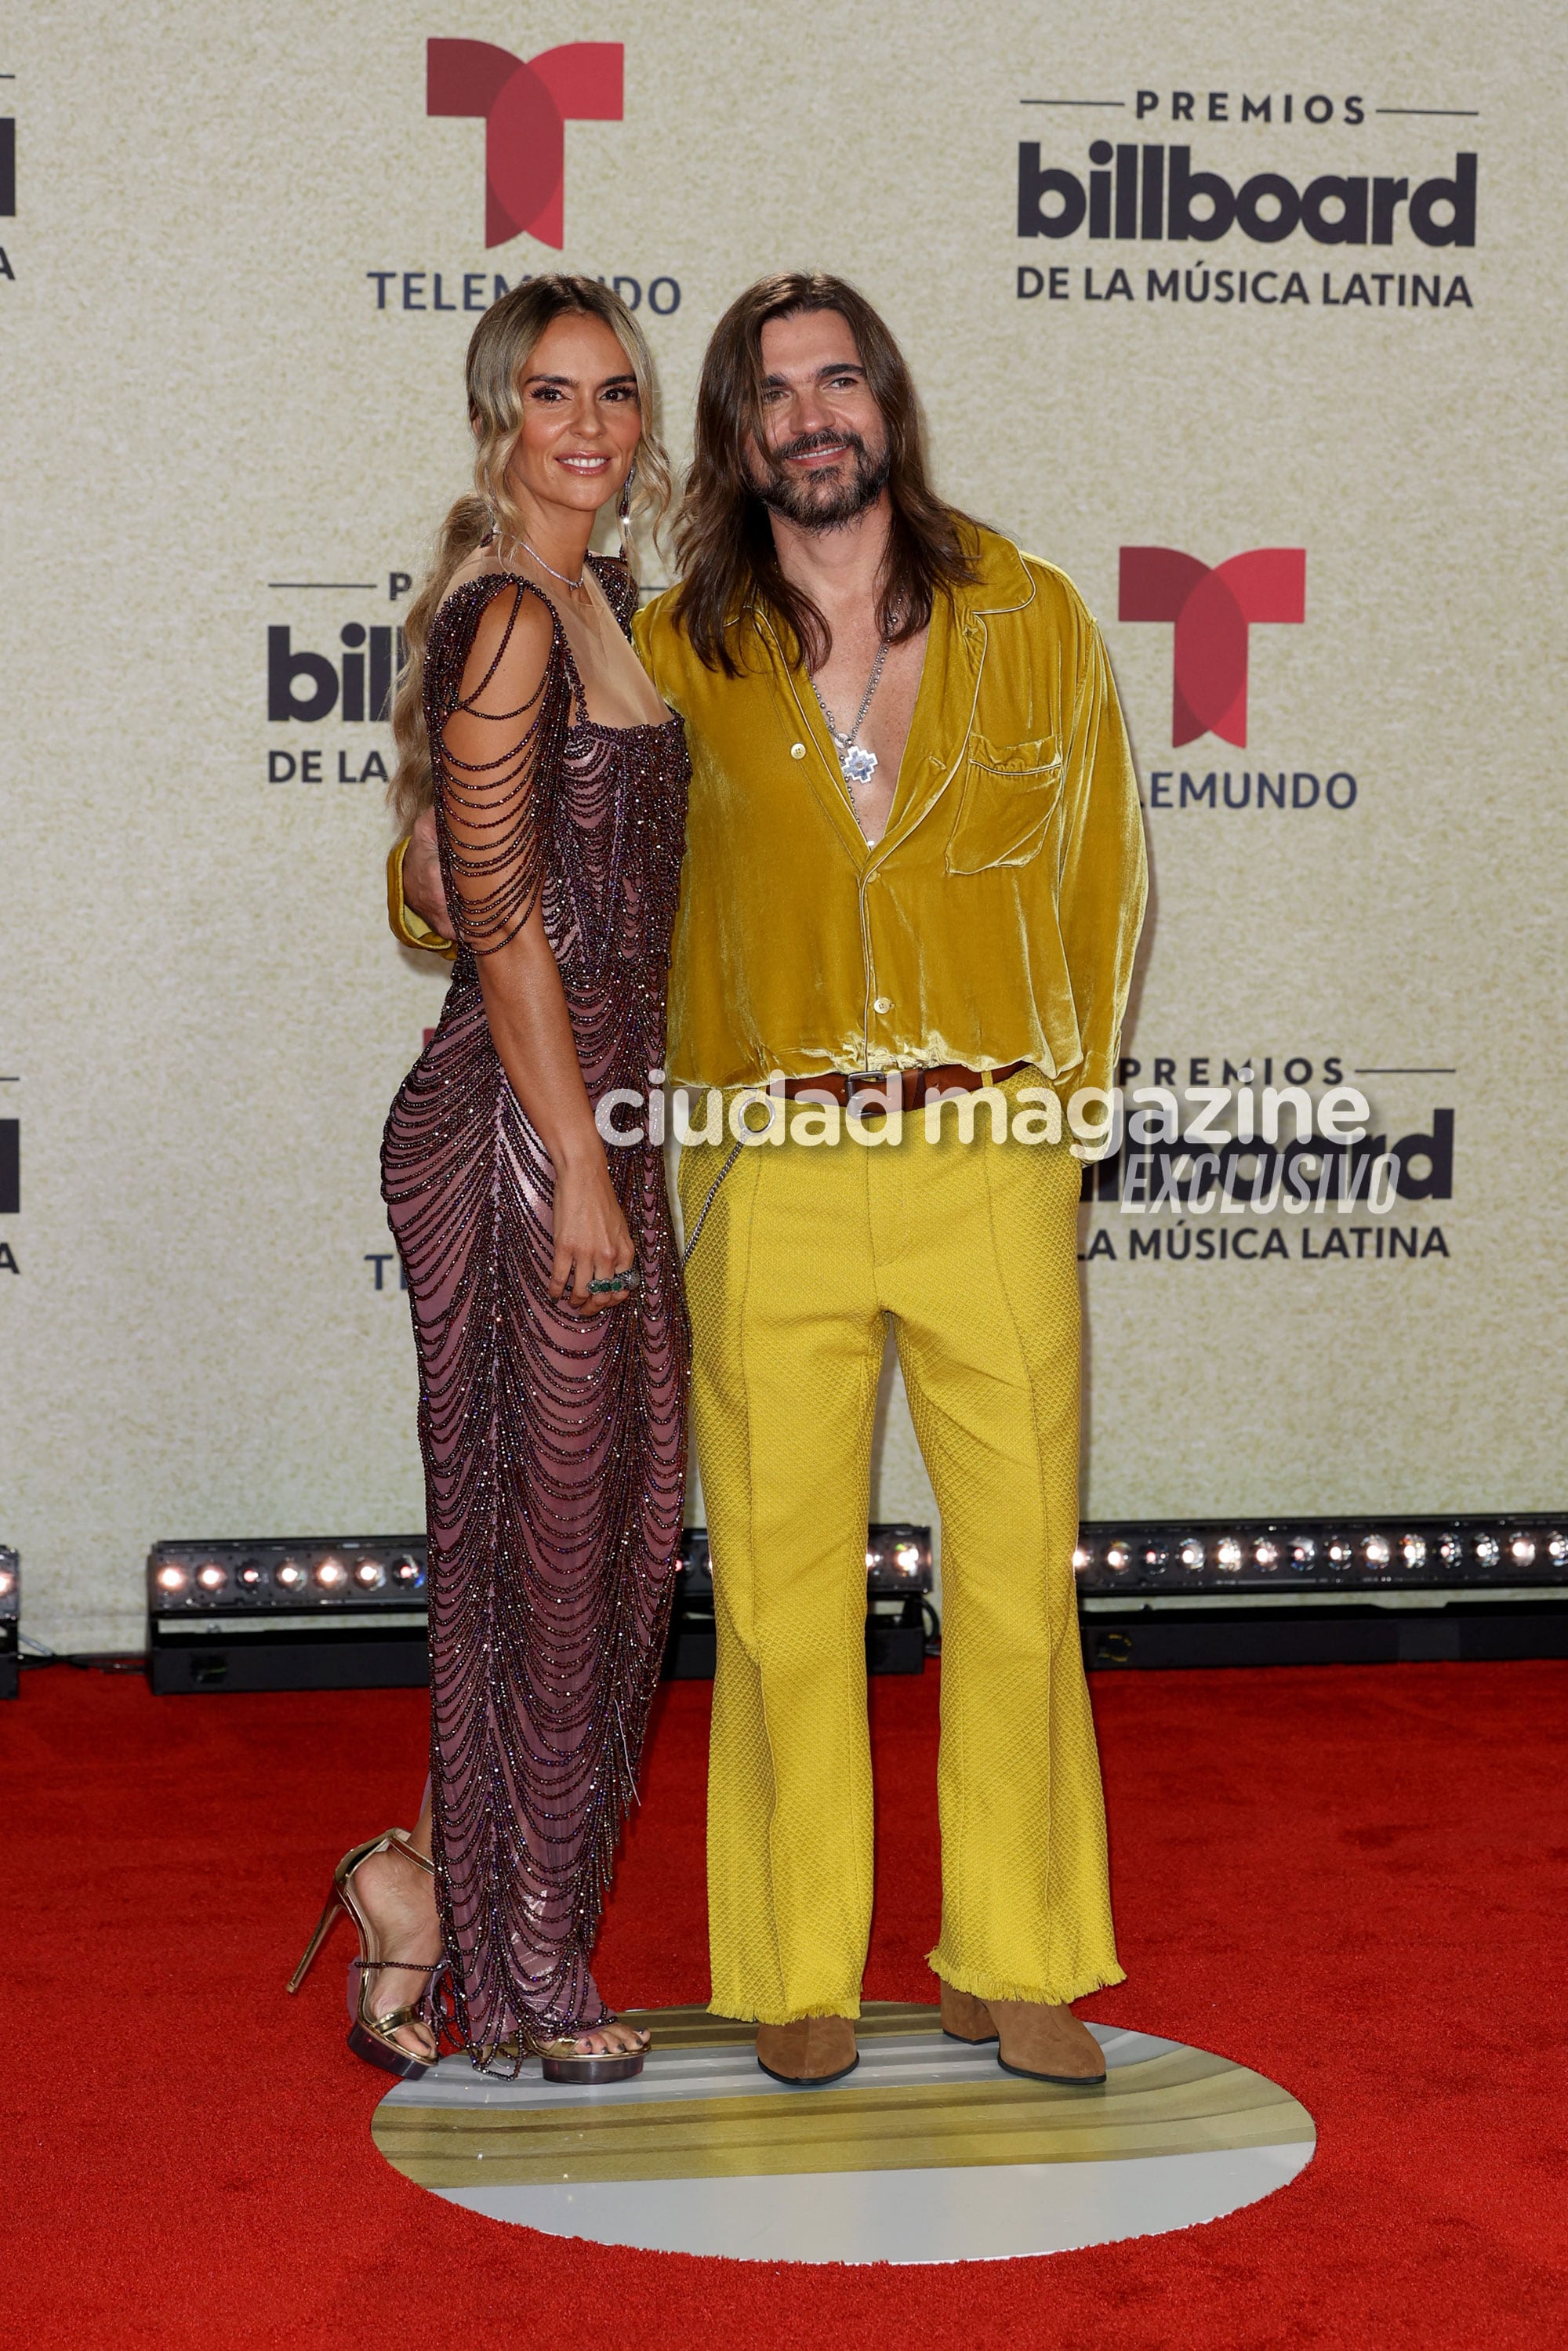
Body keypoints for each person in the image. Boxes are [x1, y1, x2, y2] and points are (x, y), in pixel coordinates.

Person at [402, 270, 1147, 2091]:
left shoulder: (1031, 613)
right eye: (771, 393)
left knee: (1014, 1583)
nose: (812, 415)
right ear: (736, 439)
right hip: (766, 1168)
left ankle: (1021, 1953)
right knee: (786, 1583)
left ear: (885, 402)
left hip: (986, 1155)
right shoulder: (683, 650)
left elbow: (1102, 882)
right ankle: (798, 1965)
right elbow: (540, 861)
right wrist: (424, 867)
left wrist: (1064, 1116)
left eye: (840, 381)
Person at [290, 276, 690, 2084]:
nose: (588, 427)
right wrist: (582, 1175)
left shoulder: (603, 598)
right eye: (551, 396)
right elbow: (507, 917)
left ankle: (417, 1888)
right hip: (531, 1127)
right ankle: (519, 1986)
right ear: (496, 422)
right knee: (546, 1559)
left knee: (587, 1550)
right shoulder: (514, 615)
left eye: (613, 392)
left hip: (602, 1113)